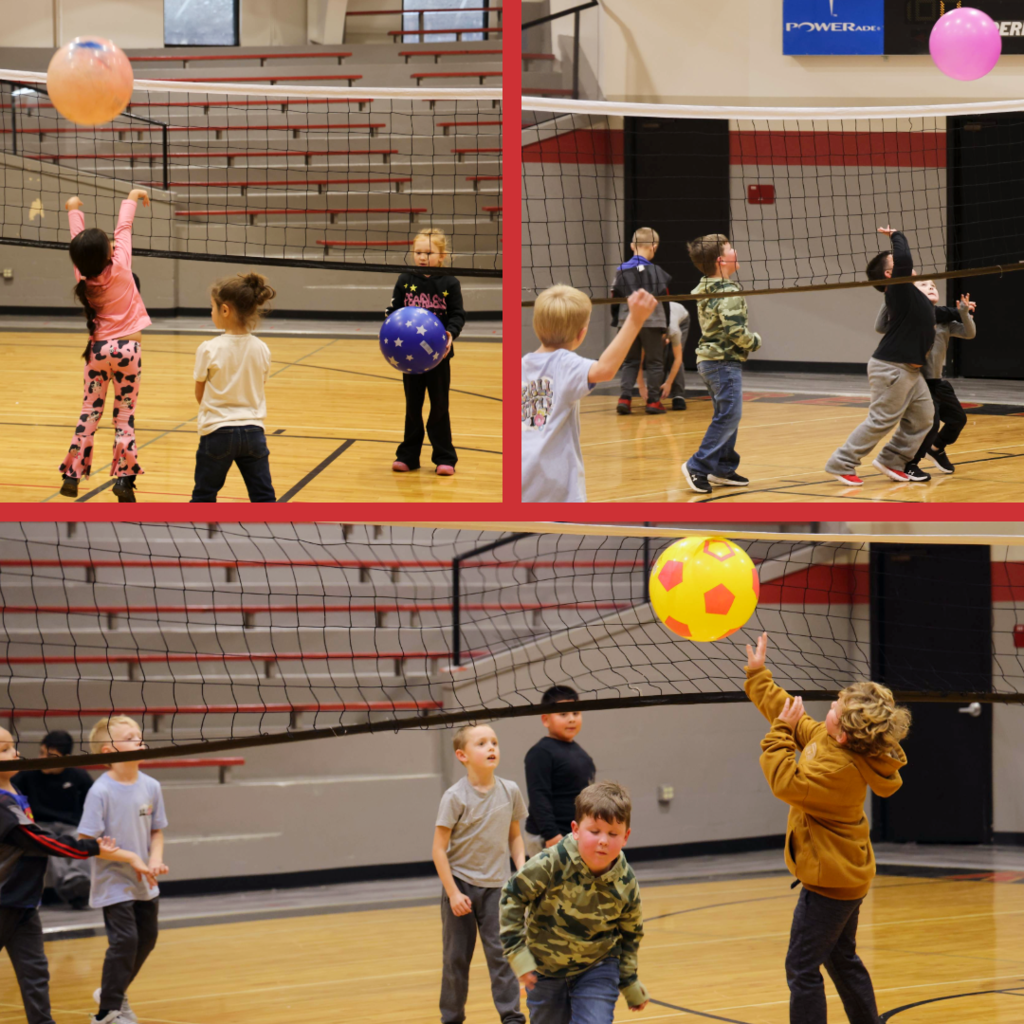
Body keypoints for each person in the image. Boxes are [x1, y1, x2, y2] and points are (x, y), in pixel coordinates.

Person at [744, 632, 910, 1024]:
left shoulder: (837, 768)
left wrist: (780, 734)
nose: (832, 701)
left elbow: (786, 782)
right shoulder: (836, 742)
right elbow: (794, 716)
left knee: (801, 968)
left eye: (837, 703)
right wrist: (758, 675)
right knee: (841, 958)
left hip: (830, 884)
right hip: (844, 874)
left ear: (845, 732)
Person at [0, 726, 154, 1024]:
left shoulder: (15, 791)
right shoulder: (2, 804)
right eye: (5, 750)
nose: (16, 753)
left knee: (35, 971)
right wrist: (90, 847)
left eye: (13, 746)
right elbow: (39, 840)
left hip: (24, 902)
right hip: (3, 899)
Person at [500, 781, 649, 1022]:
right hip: (545, 970)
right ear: (576, 829)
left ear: (626, 836)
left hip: (598, 967)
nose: (603, 840)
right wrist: (517, 953)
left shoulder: (626, 881)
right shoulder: (550, 863)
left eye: (613, 834)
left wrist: (629, 980)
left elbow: (631, 934)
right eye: (595, 831)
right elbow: (512, 896)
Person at [824, 226, 960, 486]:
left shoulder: (915, 297)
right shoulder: (898, 290)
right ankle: (841, 463)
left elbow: (940, 312)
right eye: (897, 264)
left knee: (924, 418)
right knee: (881, 420)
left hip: (911, 372)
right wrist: (897, 236)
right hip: (891, 368)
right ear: (891, 274)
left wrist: (959, 312)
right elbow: (905, 260)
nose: (907, 265)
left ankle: (892, 460)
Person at [521, 286, 658, 502]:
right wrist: (635, 320)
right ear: (581, 334)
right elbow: (605, 369)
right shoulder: (565, 363)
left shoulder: (522, 364)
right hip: (554, 483)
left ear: (536, 326)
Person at [61, 190, 152, 503]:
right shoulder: (122, 265)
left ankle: (71, 475)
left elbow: (78, 243)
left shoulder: (83, 274)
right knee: (124, 417)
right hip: (129, 351)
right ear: (109, 253)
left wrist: (73, 209)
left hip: (98, 353)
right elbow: (123, 229)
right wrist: (131, 197)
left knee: (89, 413)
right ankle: (124, 482)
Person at [432, 724, 527, 1024]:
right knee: (455, 960)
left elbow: (515, 837)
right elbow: (438, 850)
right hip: (461, 887)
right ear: (462, 755)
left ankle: (512, 1018)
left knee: (502, 957)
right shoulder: (454, 797)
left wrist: (521, 870)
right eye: (482, 743)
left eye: (495, 742)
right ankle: (452, 1018)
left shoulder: (510, 790)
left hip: (498, 889)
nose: (491, 748)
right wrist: (453, 892)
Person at [79, 716, 169, 1024]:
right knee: (125, 942)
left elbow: (157, 831)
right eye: (130, 737)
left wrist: (154, 859)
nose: (140, 741)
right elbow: (85, 841)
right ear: (108, 752)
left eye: (139, 736)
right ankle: (106, 1013)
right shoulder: (100, 792)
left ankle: (111, 993)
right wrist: (131, 856)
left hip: (145, 880)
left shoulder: (152, 786)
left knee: (147, 939)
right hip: (113, 882)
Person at [681, 234, 761, 495]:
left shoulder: (706, 285)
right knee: (730, 414)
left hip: (708, 362)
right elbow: (736, 332)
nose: (735, 251)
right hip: (723, 362)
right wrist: (754, 341)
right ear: (721, 260)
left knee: (726, 414)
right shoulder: (729, 290)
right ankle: (698, 464)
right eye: (730, 249)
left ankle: (723, 467)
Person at [873, 281, 977, 477]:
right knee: (930, 423)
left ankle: (936, 448)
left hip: (937, 381)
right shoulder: (908, 317)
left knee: (958, 419)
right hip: (917, 381)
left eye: (933, 285)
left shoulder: (944, 321)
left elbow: (969, 333)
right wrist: (889, 295)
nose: (930, 287)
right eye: (923, 285)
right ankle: (910, 463)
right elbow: (880, 327)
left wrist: (963, 313)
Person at [191, 272, 277, 503]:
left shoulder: (209, 348)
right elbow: (260, 385)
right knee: (263, 496)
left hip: (217, 432)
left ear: (225, 310)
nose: (211, 313)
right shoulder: (262, 348)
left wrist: (216, 411)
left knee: (204, 495)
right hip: (253, 432)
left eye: (212, 307)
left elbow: (200, 392)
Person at [386, 228, 464, 476]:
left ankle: (445, 457)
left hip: (438, 356)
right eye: (418, 252)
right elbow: (394, 311)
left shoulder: (449, 282)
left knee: (439, 406)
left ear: (441, 255)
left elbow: (458, 315)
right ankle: (408, 456)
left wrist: (450, 333)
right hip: (409, 358)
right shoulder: (405, 279)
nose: (422, 257)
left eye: (428, 252)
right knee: (413, 406)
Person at [12, 730, 94, 908]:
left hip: (72, 826)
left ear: (65, 758)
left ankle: (76, 881)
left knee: (84, 839)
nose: (43, 758)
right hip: (41, 826)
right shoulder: (27, 775)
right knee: (49, 842)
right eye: (41, 753)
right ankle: (73, 886)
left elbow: (94, 805)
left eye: (50, 756)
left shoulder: (79, 776)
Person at [523, 686, 596, 858]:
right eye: (563, 714)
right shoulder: (540, 752)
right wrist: (551, 835)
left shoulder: (580, 753)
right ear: (545, 719)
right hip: (550, 836)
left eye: (576, 713)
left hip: (573, 834)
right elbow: (538, 796)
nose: (571, 719)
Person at [610, 228, 673, 415]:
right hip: (653, 322)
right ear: (654, 247)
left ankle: (625, 398)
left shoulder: (621, 270)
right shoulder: (659, 272)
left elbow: (614, 298)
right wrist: (665, 326)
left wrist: (618, 320)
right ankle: (653, 402)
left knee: (630, 361)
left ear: (631, 246)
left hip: (627, 321)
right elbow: (666, 301)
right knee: (655, 362)